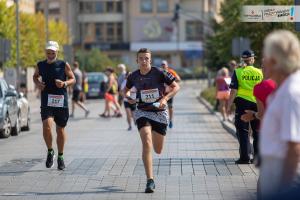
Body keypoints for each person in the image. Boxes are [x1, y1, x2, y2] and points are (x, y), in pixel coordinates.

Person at [124, 48, 180, 193]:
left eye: (146, 58)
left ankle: (151, 177)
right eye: (141, 58)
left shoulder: (160, 72)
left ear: (150, 59)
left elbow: (176, 86)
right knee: (146, 140)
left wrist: (165, 98)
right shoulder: (133, 76)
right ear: (137, 61)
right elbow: (125, 90)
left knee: (158, 149)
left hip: (160, 112)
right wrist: (129, 96)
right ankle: (150, 180)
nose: (144, 61)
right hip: (142, 111)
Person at [258, 30, 300, 199]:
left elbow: (294, 147)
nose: (262, 63)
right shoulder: (283, 89)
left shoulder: (291, 93)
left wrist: (282, 191)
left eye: (265, 58)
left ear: (275, 61)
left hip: (282, 181)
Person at [33, 41, 75, 170]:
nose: (50, 55)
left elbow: (73, 78)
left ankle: (61, 156)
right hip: (47, 100)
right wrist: (38, 84)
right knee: (46, 126)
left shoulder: (63, 64)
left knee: (60, 130)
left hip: (61, 101)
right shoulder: (40, 65)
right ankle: (50, 151)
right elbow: (35, 76)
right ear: (45, 52)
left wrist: (64, 84)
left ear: (57, 52)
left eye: (53, 52)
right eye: (48, 52)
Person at [226, 50, 263, 164]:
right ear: (253, 59)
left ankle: (245, 157)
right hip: (257, 104)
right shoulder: (260, 72)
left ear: (243, 59)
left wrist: (228, 106)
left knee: (243, 131)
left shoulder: (238, 72)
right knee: (257, 132)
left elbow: (233, 91)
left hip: (243, 104)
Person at [240, 59, 276, 165]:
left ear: (263, 69)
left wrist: (253, 115)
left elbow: (262, 114)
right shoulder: (287, 85)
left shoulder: (259, 88)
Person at [160, 60, 181, 128]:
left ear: (167, 65)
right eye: (162, 65)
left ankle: (171, 120)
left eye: (164, 64)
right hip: (162, 93)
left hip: (169, 93)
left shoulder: (170, 71)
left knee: (170, 106)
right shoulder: (160, 72)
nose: (163, 66)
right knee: (160, 106)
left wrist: (171, 82)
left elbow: (178, 79)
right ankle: (162, 120)